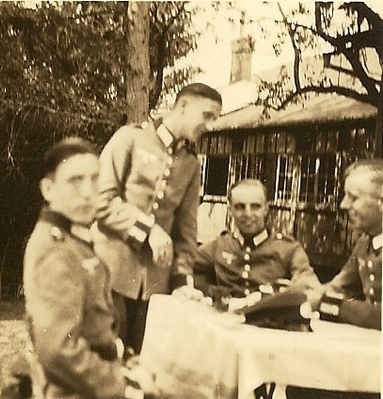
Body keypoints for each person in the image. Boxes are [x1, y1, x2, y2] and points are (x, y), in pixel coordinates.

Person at [92, 83, 223, 354]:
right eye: (207, 115)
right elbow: (100, 201)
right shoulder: (129, 138)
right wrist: (148, 229)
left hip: (154, 287)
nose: (210, 126)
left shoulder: (190, 163)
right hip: (109, 275)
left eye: (215, 119)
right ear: (183, 106)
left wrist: (181, 281)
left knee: (144, 367)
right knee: (104, 362)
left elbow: (187, 230)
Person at [22, 137, 157, 399]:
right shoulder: (55, 250)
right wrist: (122, 386)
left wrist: (123, 359)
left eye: (95, 179)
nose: (88, 192)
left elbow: (95, 328)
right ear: (48, 190)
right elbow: (58, 350)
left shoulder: (74, 237)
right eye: (75, 181)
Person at [187, 178, 321, 310]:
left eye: (255, 206)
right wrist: (211, 291)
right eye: (240, 207)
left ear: (266, 209)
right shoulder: (219, 246)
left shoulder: (288, 249)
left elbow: (308, 283)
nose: (248, 214)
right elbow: (185, 265)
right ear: (231, 210)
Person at [311, 159, 382, 330]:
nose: (344, 204)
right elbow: (337, 288)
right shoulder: (365, 243)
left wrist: (328, 304)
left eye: (353, 197)